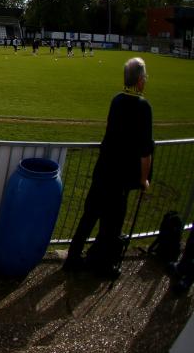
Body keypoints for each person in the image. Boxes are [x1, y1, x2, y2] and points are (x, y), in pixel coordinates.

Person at [64, 58, 153, 279]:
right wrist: (144, 179)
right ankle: (102, 265)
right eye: (144, 78)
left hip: (103, 170)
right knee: (112, 224)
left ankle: (73, 258)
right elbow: (145, 150)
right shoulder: (143, 106)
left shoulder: (116, 100)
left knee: (89, 216)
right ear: (139, 81)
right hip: (120, 178)